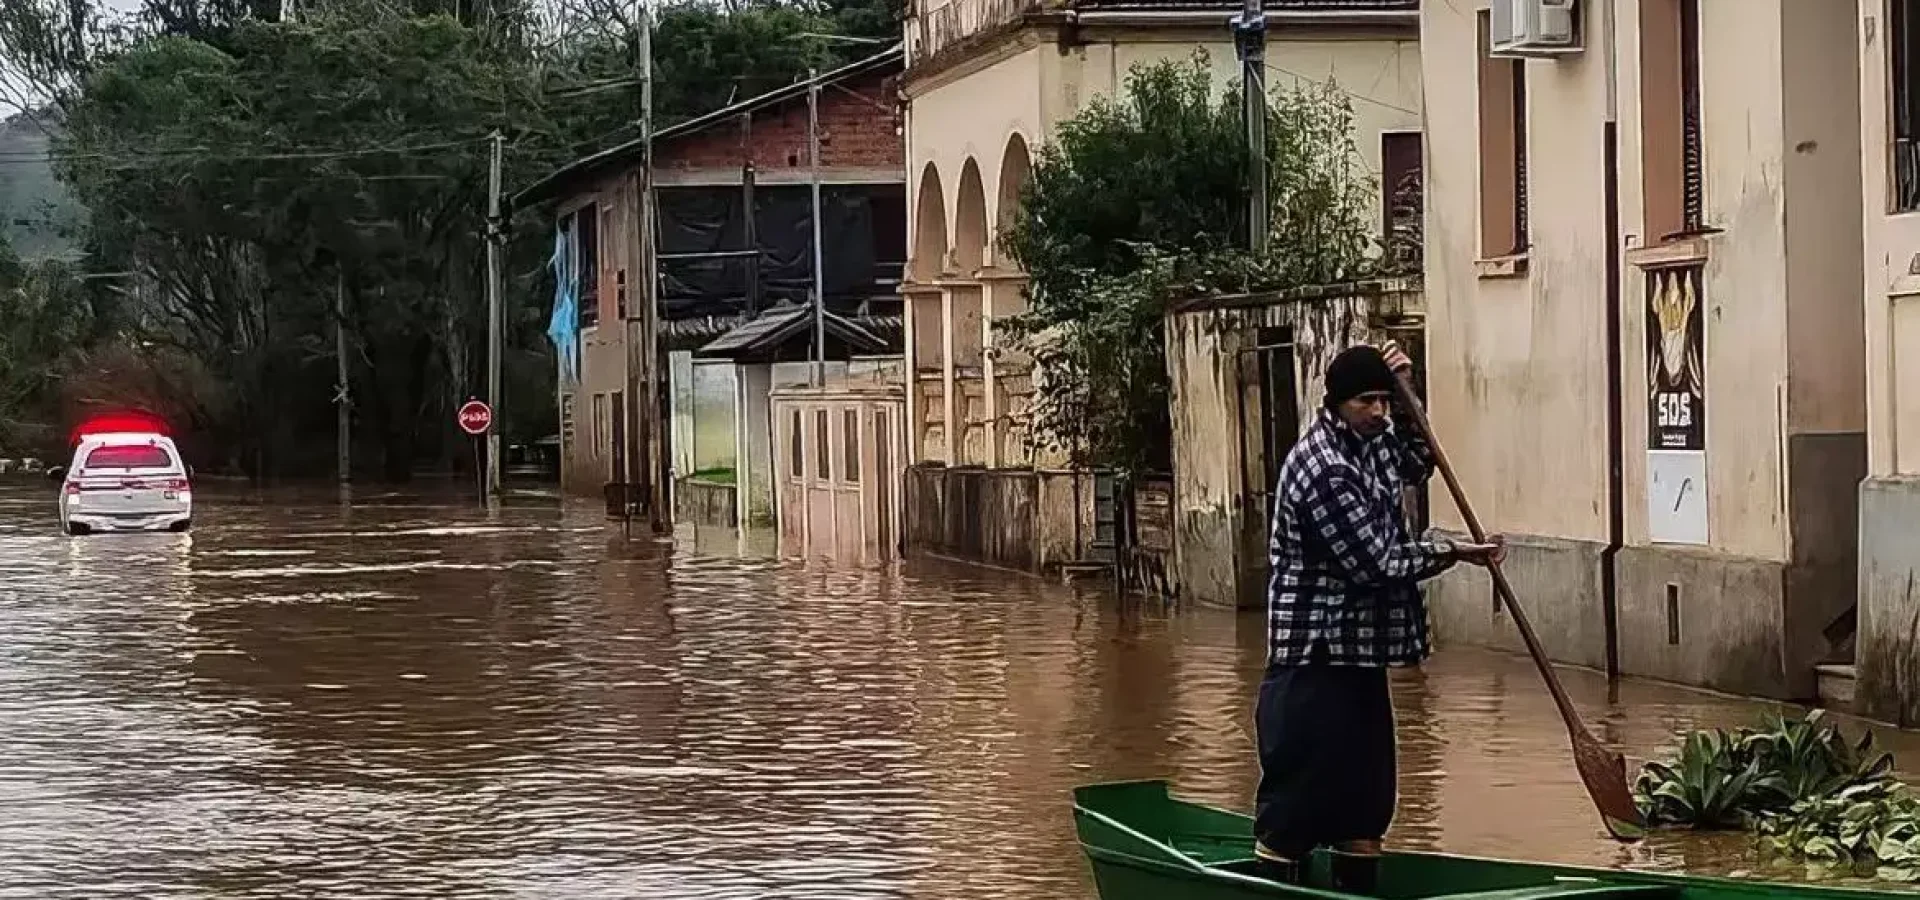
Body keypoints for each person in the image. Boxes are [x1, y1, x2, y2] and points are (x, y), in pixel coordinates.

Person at [1252, 341, 1505, 893]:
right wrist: (1454, 551)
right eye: (1366, 401)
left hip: (1362, 655)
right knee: (1294, 809)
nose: (1378, 411)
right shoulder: (1324, 468)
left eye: (1383, 400)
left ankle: (1358, 882)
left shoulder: (1376, 439)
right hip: (1313, 659)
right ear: (1337, 403)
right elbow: (1376, 563)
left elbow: (1420, 459)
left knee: (1365, 808)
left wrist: (1410, 390)